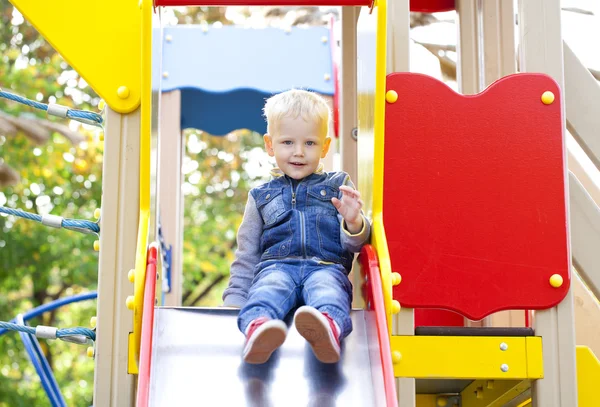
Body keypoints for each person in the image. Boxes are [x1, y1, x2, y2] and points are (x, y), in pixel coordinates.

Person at [222, 89, 370, 364]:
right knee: (267, 290)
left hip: (326, 268)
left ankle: (327, 328)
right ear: (270, 145)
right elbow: (247, 255)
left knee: (328, 292)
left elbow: (356, 244)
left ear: (325, 147)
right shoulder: (260, 196)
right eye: (288, 142)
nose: (299, 152)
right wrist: (234, 299)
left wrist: (354, 220)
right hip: (276, 267)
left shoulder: (338, 186)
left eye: (310, 143)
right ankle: (259, 328)